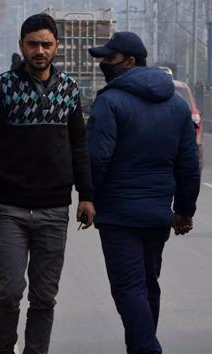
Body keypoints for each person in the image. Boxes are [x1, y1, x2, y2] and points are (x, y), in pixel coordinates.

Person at [0, 14, 95, 354]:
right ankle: (3, 349)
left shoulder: (68, 90)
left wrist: (86, 195)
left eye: (46, 44)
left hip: (55, 210)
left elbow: (79, 146)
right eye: (33, 44)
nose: (40, 50)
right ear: (22, 45)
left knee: (44, 296)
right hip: (11, 208)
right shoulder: (2, 88)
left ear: (57, 47)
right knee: (9, 289)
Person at [86, 31, 201, 354]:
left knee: (128, 288)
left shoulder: (110, 101)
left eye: (109, 59)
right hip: (157, 214)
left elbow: (97, 156)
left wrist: (89, 197)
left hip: (119, 216)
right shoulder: (177, 106)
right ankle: (141, 346)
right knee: (148, 285)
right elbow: (188, 164)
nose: (104, 64)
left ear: (130, 61)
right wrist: (184, 210)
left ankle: (147, 349)